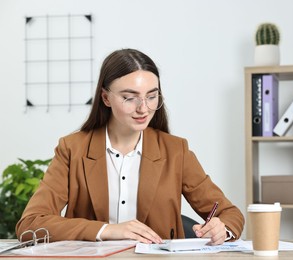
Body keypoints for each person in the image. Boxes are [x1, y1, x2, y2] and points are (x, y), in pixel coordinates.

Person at [16, 48, 244, 245]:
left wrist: (221, 229)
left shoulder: (176, 151)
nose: (143, 108)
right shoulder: (72, 149)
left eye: (152, 96)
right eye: (129, 97)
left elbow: (230, 214)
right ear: (106, 98)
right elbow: (31, 223)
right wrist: (107, 230)